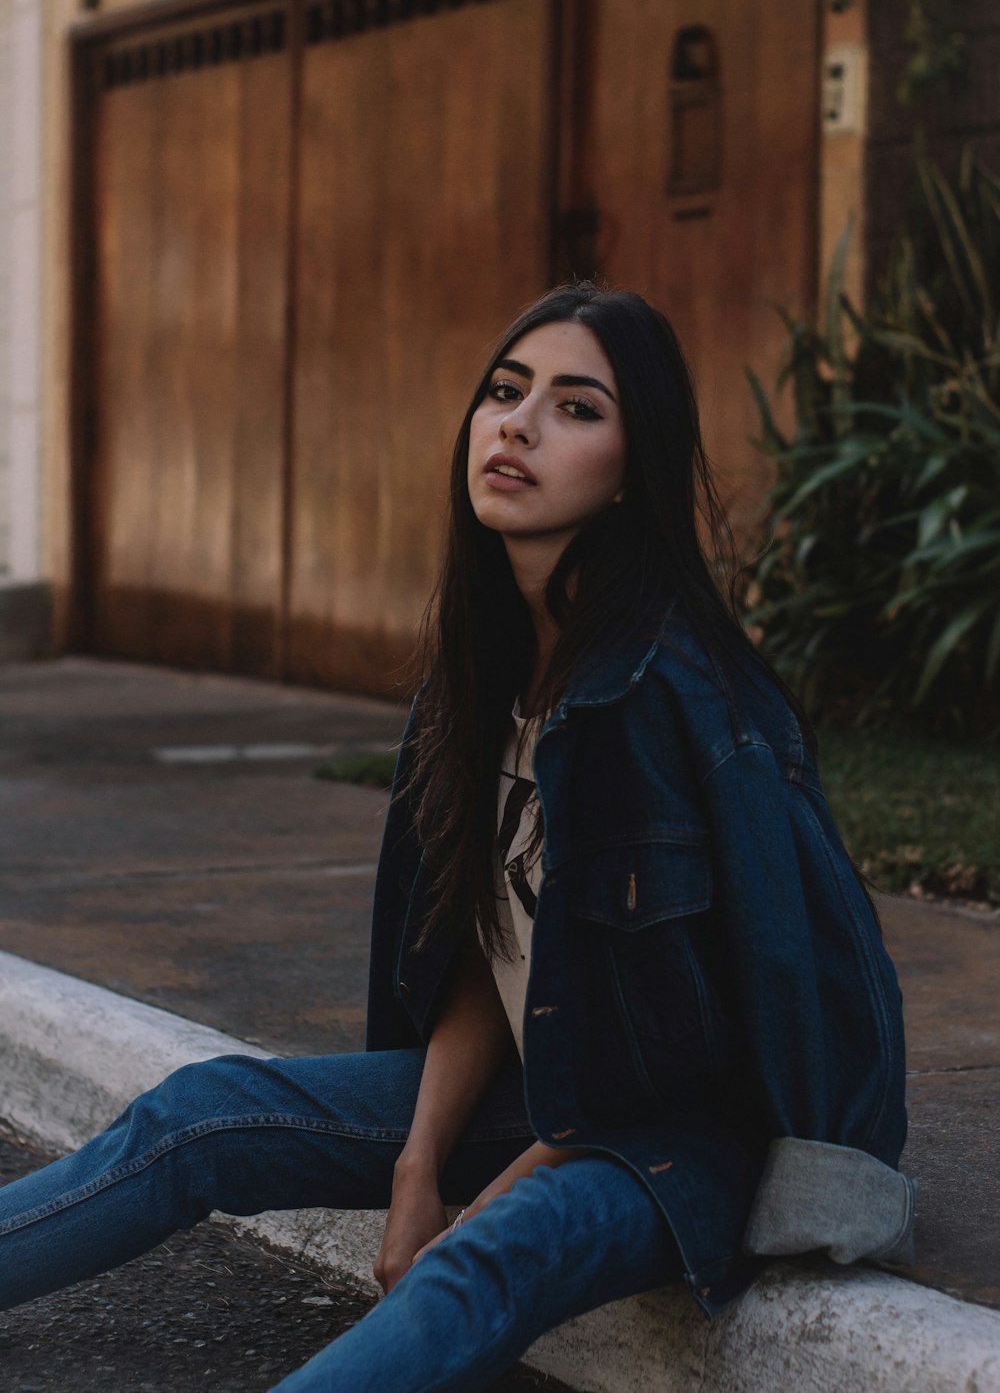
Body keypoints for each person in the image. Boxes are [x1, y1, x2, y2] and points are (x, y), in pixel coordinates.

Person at [1, 283, 915, 1391]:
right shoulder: (483, 678)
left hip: (682, 1141)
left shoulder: (677, 698)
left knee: (486, 1258)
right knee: (199, 1118)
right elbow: (499, 950)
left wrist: (495, 1189)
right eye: (503, 391)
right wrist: (415, 1168)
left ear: (633, 471)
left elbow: (702, 1050)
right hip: (553, 1083)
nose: (517, 425)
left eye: (577, 408)